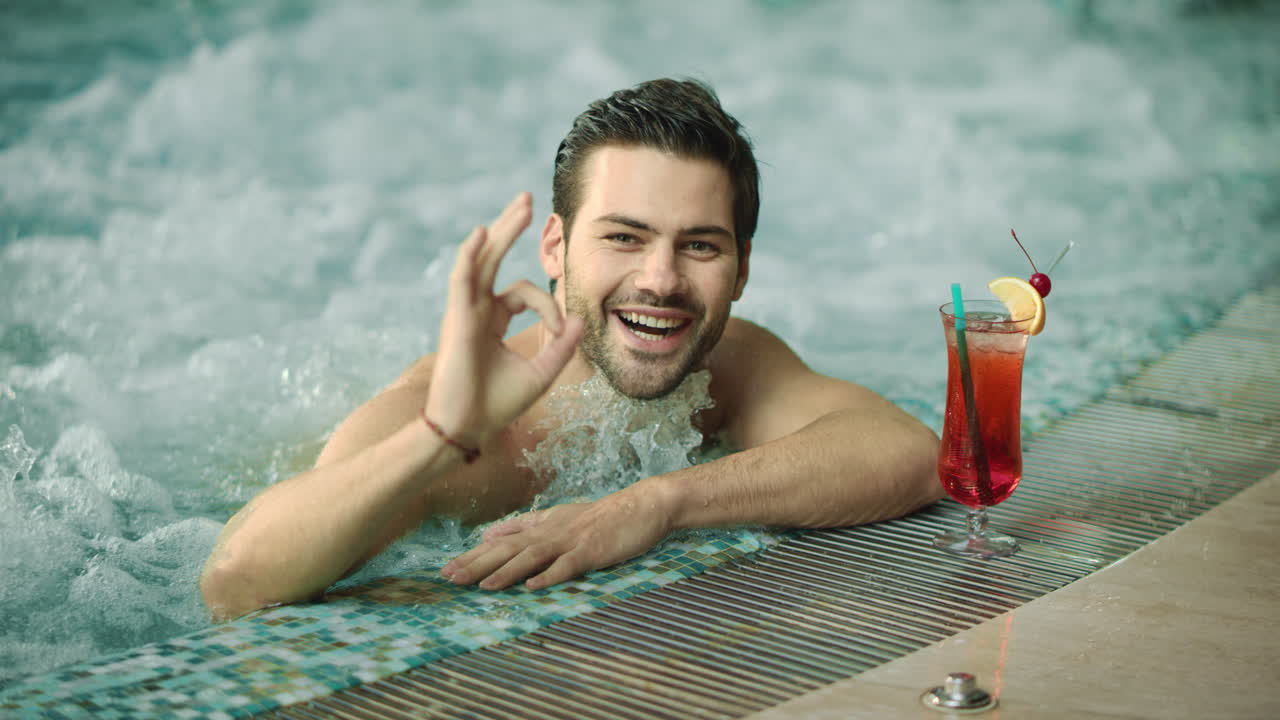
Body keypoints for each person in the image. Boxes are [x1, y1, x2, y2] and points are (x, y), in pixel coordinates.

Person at [200, 78, 942, 621]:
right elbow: (235, 582)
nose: (661, 280)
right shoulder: (461, 425)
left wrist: (656, 503)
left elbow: (912, 454)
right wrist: (440, 437)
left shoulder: (734, 367)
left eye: (700, 246)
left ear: (741, 269)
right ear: (555, 248)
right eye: (624, 236)